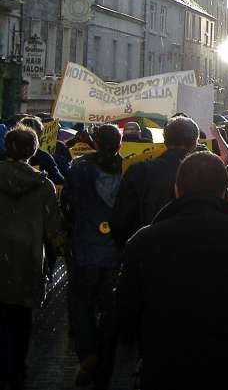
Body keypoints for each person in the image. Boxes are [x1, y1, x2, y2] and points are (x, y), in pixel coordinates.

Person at [117, 151, 228, 390]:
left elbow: (125, 314)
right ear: (224, 192)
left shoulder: (145, 241)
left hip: (168, 370)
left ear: (177, 189)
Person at [61, 123, 123, 390]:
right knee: (110, 310)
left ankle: (88, 354)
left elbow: (68, 202)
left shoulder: (81, 167)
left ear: (95, 141)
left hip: (85, 248)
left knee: (81, 305)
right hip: (115, 250)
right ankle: (105, 366)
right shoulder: (132, 166)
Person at [0, 125, 62, 390]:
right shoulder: (43, 184)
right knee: (21, 323)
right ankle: (16, 373)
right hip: (27, 263)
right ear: (34, 151)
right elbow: (54, 230)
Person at [111, 116, 199, 246]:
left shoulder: (139, 170)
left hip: (146, 252)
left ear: (165, 141)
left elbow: (120, 219)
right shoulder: (205, 173)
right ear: (195, 143)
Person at [19, 116, 64, 185]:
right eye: (40, 133)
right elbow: (59, 180)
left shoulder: (6, 155)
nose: (41, 137)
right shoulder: (44, 157)